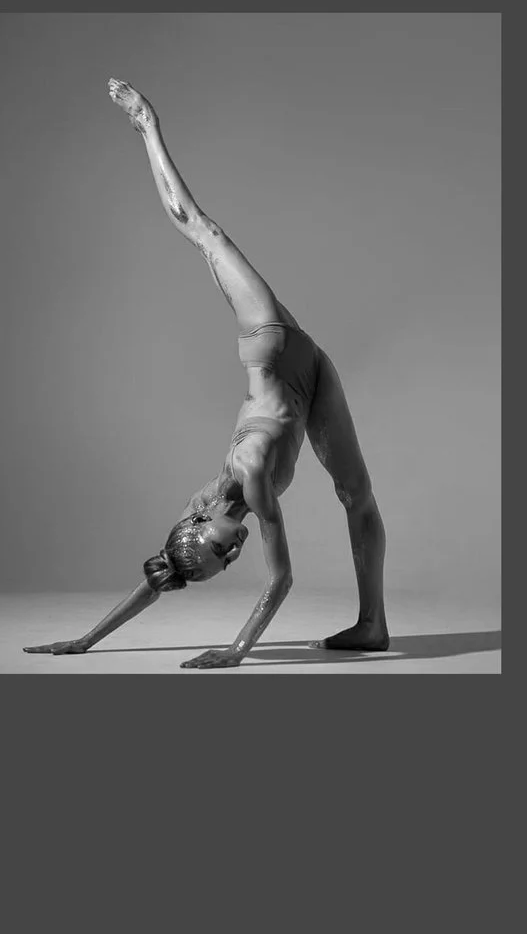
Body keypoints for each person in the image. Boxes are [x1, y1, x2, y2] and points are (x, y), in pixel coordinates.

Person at [25, 78, 389, 669]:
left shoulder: (250, 480)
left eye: (223, 548)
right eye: (230, 559)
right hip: (312, 378)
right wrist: (86, 641)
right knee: (357, 496)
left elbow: (282, 581)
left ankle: (146, 123)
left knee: (201, 231)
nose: (236, 547)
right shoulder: (223, 512)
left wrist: (237, 650)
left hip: (270, 349)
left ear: (200, 519)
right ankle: (373, 625)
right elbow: (161, 575)